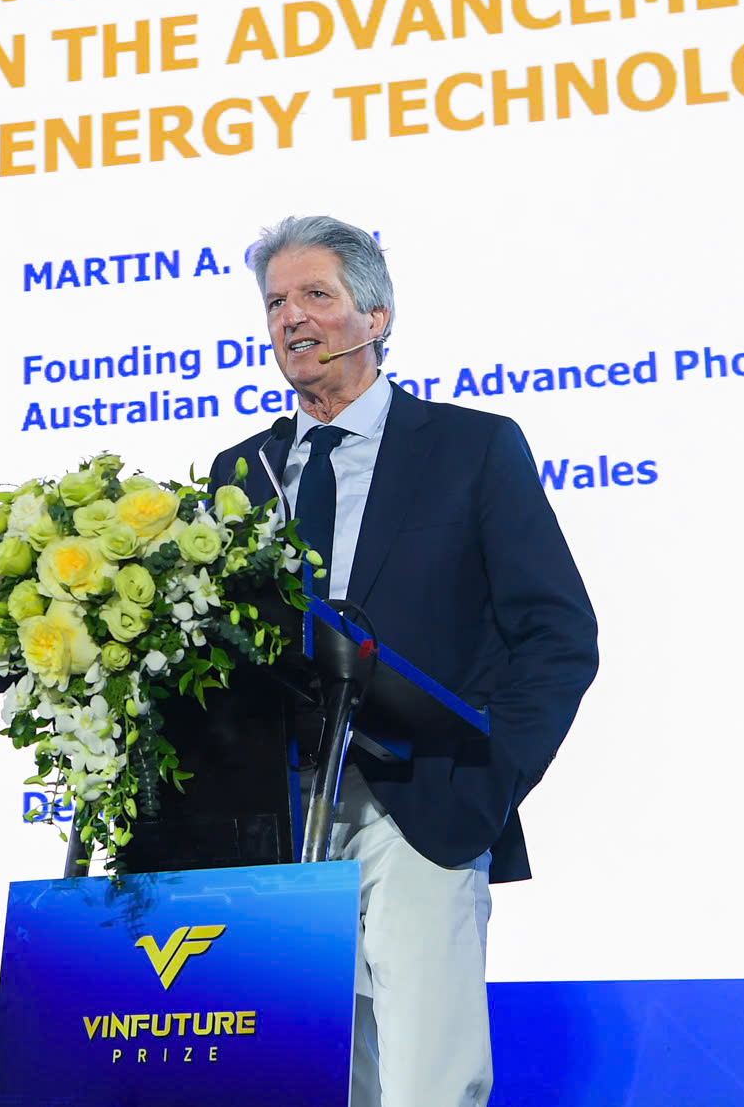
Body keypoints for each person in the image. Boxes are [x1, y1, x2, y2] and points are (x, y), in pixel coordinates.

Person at [207, 215, 598, 1107]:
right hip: (277, 814)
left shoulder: (471, 447)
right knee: (311, 1079)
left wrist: (490, 771)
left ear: (376, 316)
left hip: (420, 799)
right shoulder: (240, 470)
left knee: (426, 1077)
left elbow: (557, 632)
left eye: (315, 295)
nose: (291, 317)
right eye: (275, 302)